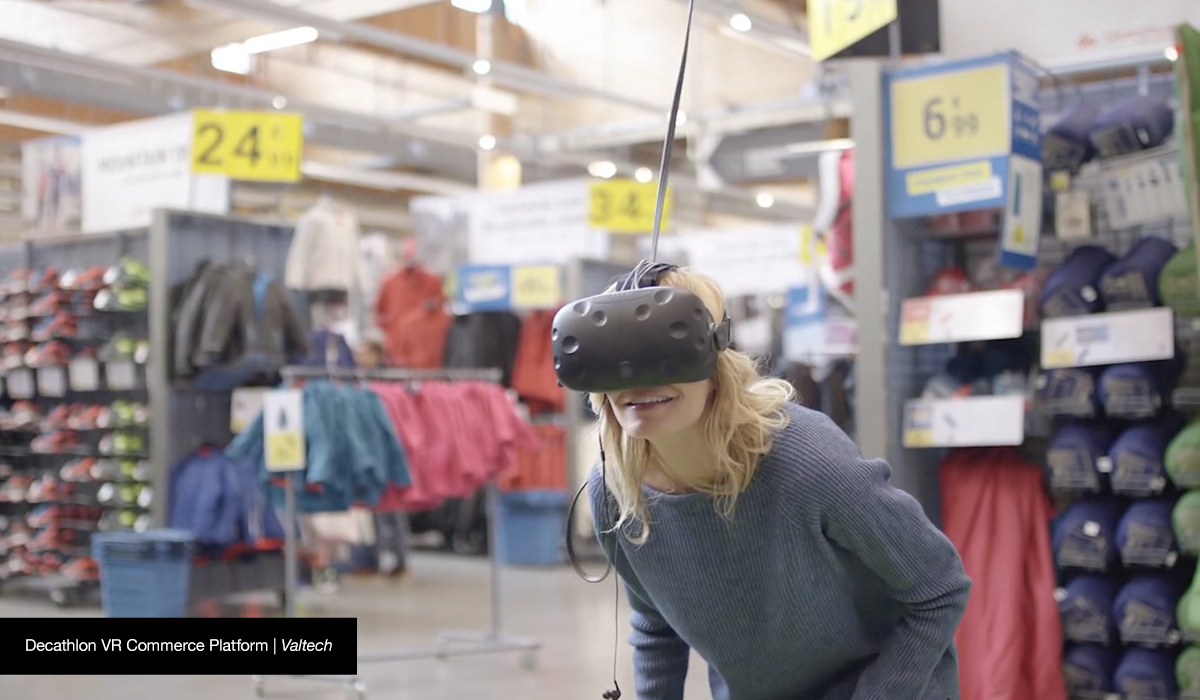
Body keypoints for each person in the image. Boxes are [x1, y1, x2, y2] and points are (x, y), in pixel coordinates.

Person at [585, 268, 971, 700]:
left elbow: (939, 588)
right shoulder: (616, 491)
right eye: (614, 355)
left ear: (716, 358)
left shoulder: (807, 462)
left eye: (666, 348)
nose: (639, 379)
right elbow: (655, 623)